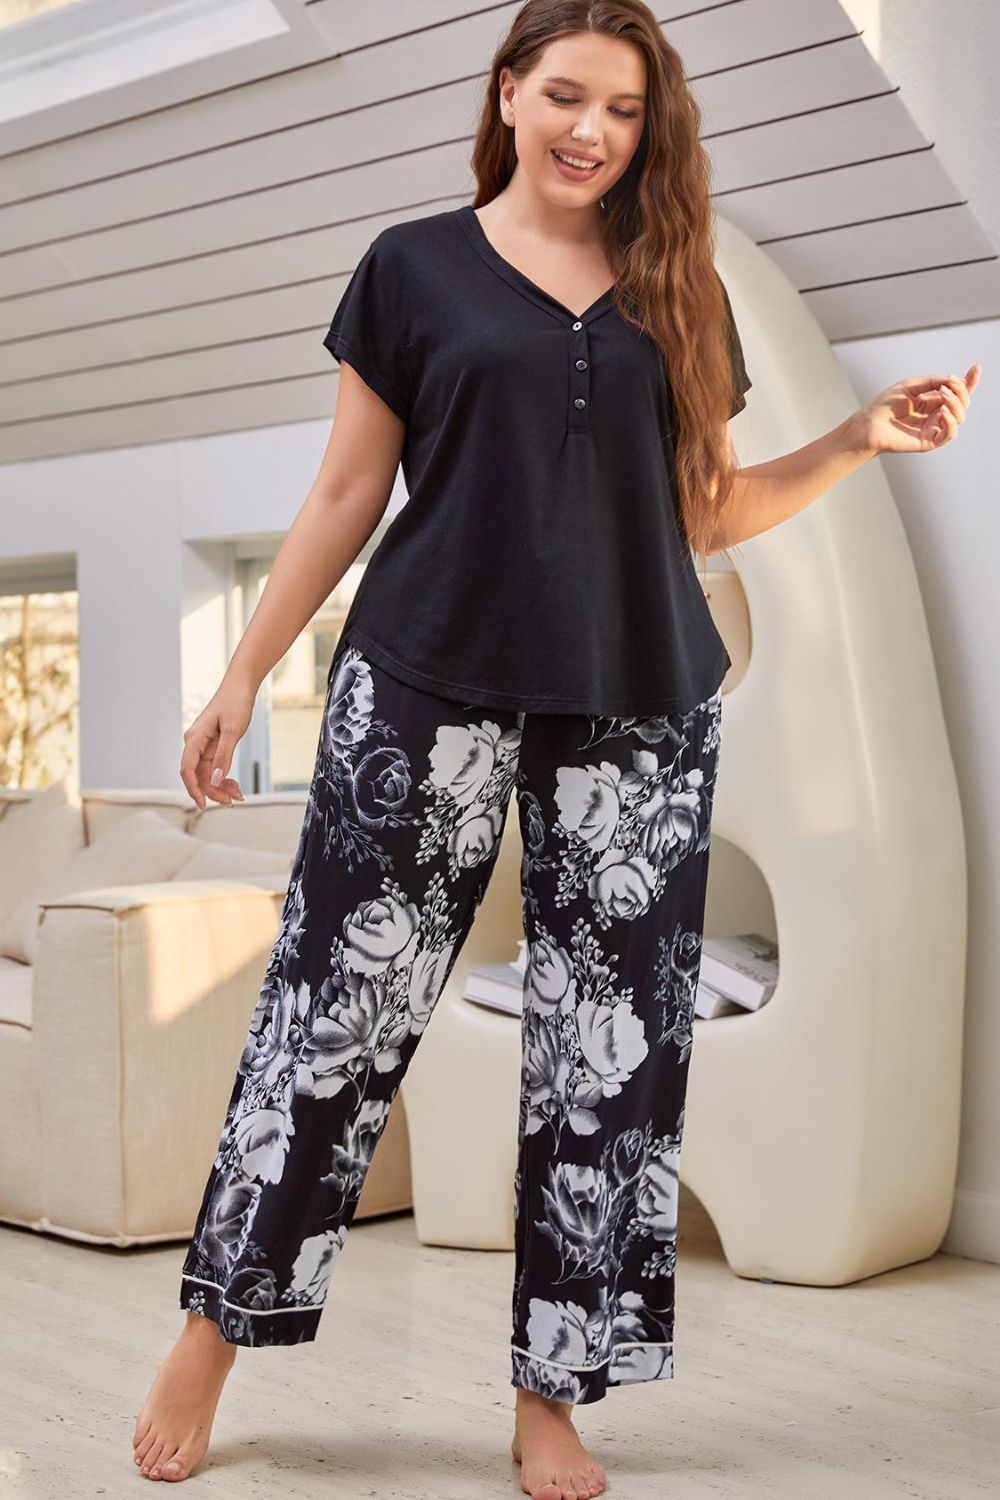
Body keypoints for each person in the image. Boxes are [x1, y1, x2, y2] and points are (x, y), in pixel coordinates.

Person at [130, 1, 980, 1493]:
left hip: (637, 697)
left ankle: (553, 1396)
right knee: (333, 1019)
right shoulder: (413, 267)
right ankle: (213, 1331)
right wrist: (242, 675)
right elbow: (345, 493)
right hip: (423, 680)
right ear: (510, 92)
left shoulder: (677, 285)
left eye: (626, 110)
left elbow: (702, 514)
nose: (594, 130)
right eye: (569, 96)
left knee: (609, 1057)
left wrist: (858, 440)